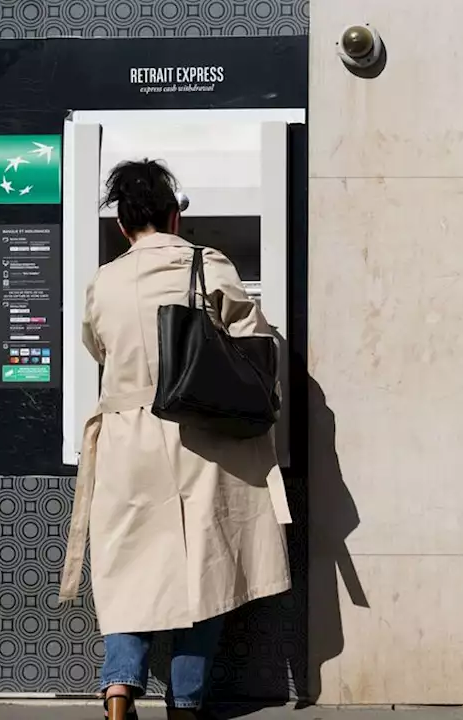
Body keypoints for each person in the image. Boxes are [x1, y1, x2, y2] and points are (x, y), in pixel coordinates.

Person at [58, 159, 293, 720]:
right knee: (203, 570)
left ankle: (119, 689)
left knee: (127, 568)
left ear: (121, 225)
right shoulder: (207, 265)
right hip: (198, 435)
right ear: (174, 217)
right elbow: (256, 342)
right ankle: (185, 701)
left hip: (125, 439)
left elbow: (99, 349)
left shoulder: (104, 279)